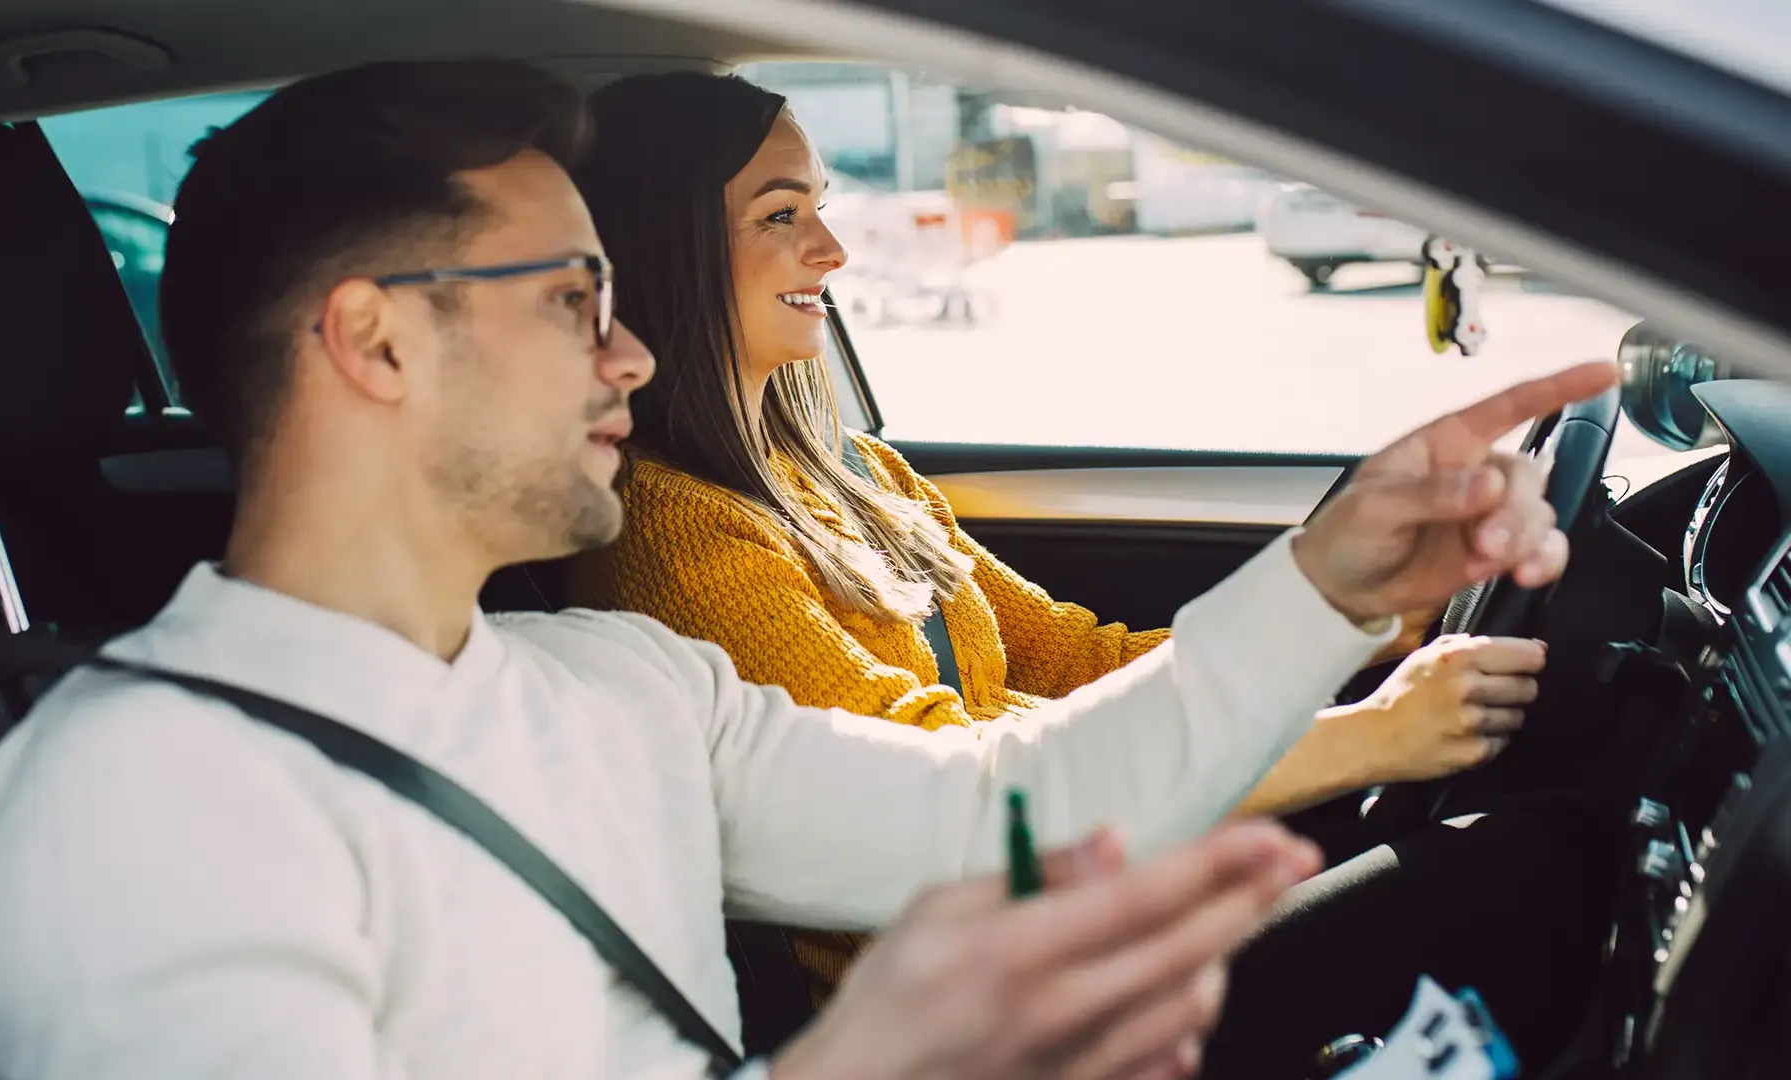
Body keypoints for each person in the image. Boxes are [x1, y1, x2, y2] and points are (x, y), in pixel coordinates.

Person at [0, 58, 1611, 1080]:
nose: (633, 354)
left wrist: (1327, 578)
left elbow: (995, 799)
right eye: (572, 299)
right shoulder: (133, 810)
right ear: (374, 343)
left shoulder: (624, 688)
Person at [562, 70, 1615, 1075]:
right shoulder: (675, 535)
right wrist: (1362, 736)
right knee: (1525, 870)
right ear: (670, 248)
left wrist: (1377, 631)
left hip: (1093, 915)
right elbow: (940, 788)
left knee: (1514, 852)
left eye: (821, 206)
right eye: (782, 215)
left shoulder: (850, 468)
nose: (833, 249)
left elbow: (1077, 660)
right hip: (991, 1018)